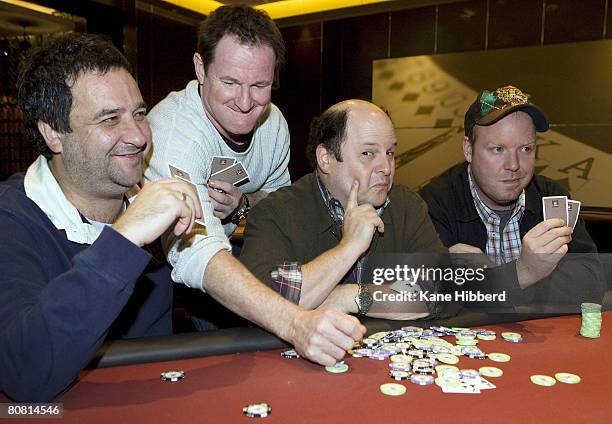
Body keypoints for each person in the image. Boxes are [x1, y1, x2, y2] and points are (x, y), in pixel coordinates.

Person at [0, 34, 364, 402]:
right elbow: (24, 374)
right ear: (53, 133)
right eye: (110, 120)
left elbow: (202, 254)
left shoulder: (151, 187)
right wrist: (124, 239)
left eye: (139, 114)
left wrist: (300, 321)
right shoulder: (11, 220)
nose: (139, 136)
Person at [240, 100, 448, 319]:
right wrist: (348, 248)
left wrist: (352, 297)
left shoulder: (406, 206)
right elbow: (262, 302)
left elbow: (445, 290)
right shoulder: (275, 213)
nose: (386, 168)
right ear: (326, 159)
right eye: (368, 154)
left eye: (390, 153)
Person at [419, 85, 604, 306]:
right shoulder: (434, 203)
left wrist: (504, 275)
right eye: (498, 149)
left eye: (526, 149)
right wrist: (526, 273)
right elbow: (428, 296)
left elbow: (591, 284)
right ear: (468, 150)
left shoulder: (552, 197)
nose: (514, 165)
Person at [144, 4, 290, 236]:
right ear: (201, 69)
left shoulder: (273, 124)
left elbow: (281, 203)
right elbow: (194, 249)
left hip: (230, 249)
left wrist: (243, 205)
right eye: (230, 83)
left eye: (259, 85)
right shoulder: (173, 135)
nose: (245, 103)